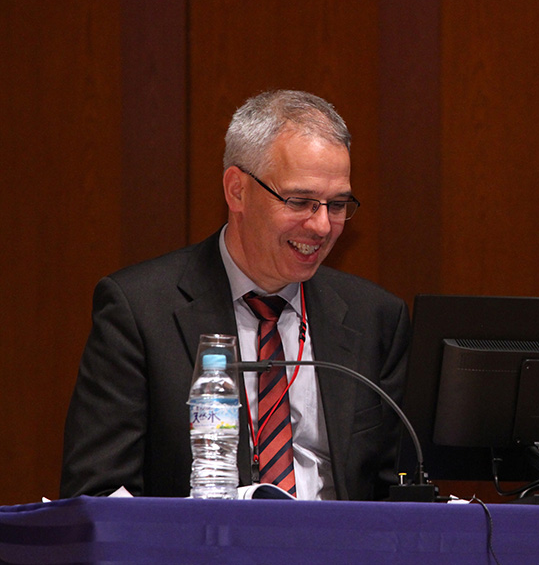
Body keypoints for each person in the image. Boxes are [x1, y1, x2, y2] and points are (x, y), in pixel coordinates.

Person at [61, 90, 410, 501]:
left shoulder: (376, 318)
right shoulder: (140, 311)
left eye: (336, 205)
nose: (321, 226)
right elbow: (97, 492)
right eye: (300, 201)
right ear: (237, 190)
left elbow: (399, 492)